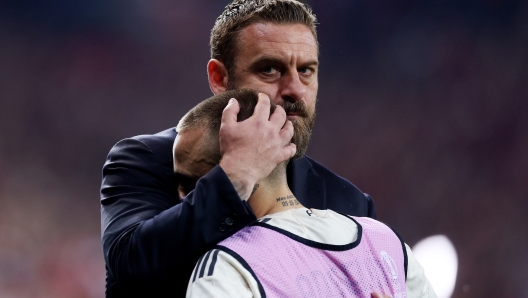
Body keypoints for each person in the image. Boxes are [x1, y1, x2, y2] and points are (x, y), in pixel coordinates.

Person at [101, 1, 376, 297]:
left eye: (306, 70)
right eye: (270, 69)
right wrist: (235, 175)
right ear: (220, 78)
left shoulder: (348, 203)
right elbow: (130, 268)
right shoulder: (147, 159)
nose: (295, 89)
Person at [179, 89, 436, 298]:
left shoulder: (229, 268)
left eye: (191, 183)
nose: (181, 198)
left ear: (239, 167)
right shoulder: (385, 243)